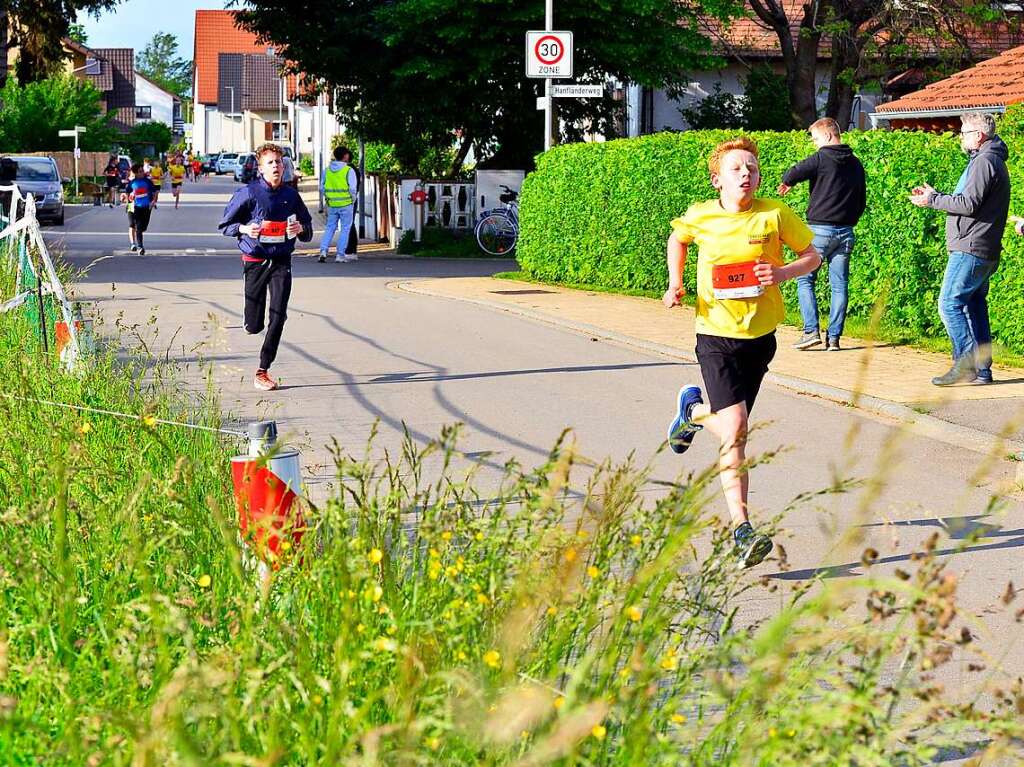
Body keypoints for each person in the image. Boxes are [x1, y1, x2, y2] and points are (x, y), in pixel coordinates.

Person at [663, 136, 821, 568]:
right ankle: (742, 529)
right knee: (735, 429)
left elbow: (813, 256)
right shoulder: (702, 215)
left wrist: (783, 271)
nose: (745, 174)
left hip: (761, 336)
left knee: (733, 428)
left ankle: (691, 414)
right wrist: (675, 282)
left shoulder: (774, 214)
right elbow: (677, 240)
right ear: (718, 180)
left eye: (751, 168)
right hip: (714, 334)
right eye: (736, 168)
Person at [910, 112, 1010, 386]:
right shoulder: (989, 160)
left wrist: (934, 200)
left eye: (964, 132)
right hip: (981, 246)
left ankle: (966, 366)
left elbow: (968, 205)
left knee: (949, 304)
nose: (960, 137)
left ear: (978, 135)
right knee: (973, 306)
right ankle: (982, 370)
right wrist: (937, 196)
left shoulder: (985, 161)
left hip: (971, 247)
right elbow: (970, 201)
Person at [218, 143, 313, 392]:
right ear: (260, 168)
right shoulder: (248, 193)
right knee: (254, 325)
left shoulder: (291, 196)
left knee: (279, 315)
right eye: (270, 163)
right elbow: (225, 225)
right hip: (255, 261)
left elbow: (308, 231)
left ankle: (263, 369)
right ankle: (250, 322)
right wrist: (245, 229)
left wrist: (300, 229)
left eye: (279, 163)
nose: (276, 167)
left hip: (281, 260)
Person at [779, 117, 866, 352]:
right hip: (846, 232)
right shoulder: (856, 164)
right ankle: (835, 338)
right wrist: (849, 221)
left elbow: (796, 170)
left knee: (805, 278)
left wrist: (787, 182)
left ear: (828, 136)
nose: (815, 145)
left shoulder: (822, 157)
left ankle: (810, 332)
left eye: (816, 139)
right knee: (840, 286)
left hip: (819, 231)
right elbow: (861, 201)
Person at [318, 145, 359, 263]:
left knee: (330, 228)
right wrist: (352, 200)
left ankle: (323, 251)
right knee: (345, 229)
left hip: (332, 204)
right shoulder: (348, 170)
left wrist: (328, 198)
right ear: (345, 156)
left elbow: (322, 188)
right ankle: (340, 255)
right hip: (346, 204)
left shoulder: (327, 170)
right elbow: (352, 189)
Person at [121, 163, 156, 255]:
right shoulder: (132, 183)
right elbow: (127, 192)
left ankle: (138, 242)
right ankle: (140, 246)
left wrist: (153, 202)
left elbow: (154, 191)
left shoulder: (147, 181)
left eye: (142, 171)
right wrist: (128, 202)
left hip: (146, 207)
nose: (142, 173)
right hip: (135, 207)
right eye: (140, 171)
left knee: (143, 227)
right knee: (137, 226)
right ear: (136, 173)